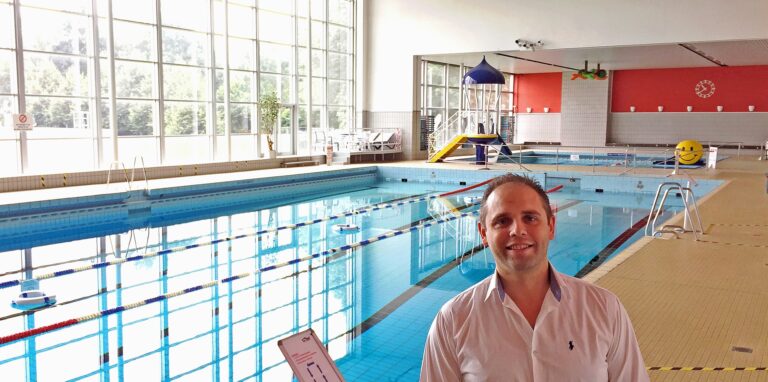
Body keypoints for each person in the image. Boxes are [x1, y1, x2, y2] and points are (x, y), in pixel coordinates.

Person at [420, 174, 649, 381]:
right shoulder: (453, 321)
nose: (517, 230)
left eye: (530, 218)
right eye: (502, 221)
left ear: (550, 226)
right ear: (483, 234)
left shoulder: (605, 310)